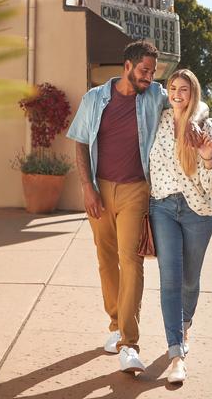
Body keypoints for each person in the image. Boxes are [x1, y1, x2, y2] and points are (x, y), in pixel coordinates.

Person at [65, 40, 167, 374]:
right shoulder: (94, 99)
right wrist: (87, 188)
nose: (149, 77)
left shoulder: (155, 96)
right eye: (144, 71)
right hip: (100, 190)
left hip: (136, 190)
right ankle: (114, 325)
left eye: (152, 72)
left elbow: (187, 103)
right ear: (127, 66)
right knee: (106, 261)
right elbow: (80, 142)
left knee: (132, 262)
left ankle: (129, 343)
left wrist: (200, 117)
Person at [147, 68, 212, 384]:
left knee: (189, 280)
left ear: (193, 92)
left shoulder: (206, 129)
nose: (177, 94)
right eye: (173, 88)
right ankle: (176, 354)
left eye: (184, 88)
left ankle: (185, 324)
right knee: (170, 279)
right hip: (163, 207)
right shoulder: (161, 121)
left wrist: (207, 158)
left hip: (198, 212)